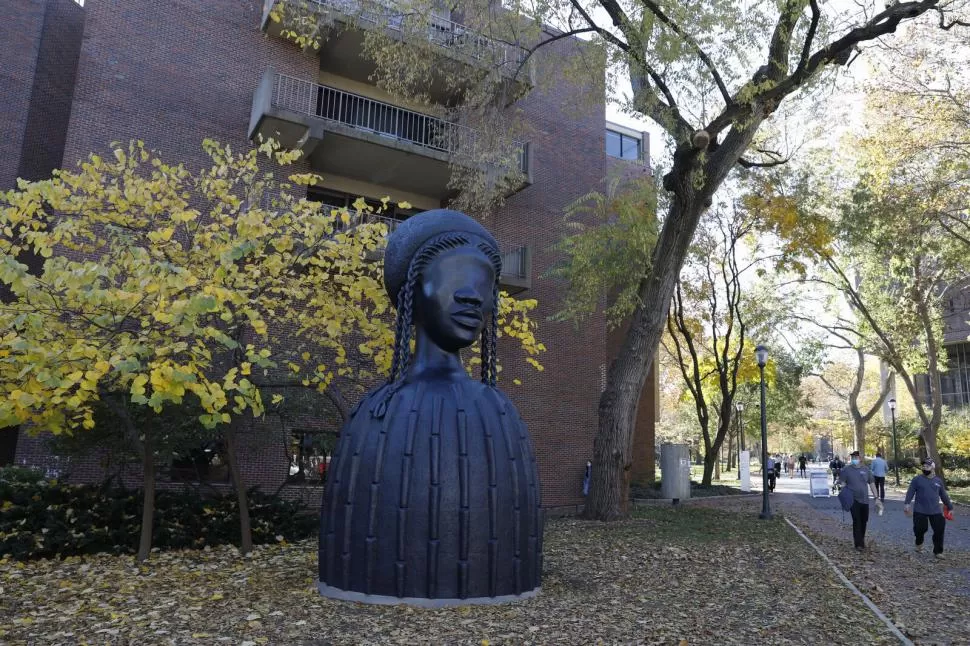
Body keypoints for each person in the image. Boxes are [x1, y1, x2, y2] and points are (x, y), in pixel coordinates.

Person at [904, 459, 955, 559]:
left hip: (935, 510)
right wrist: (907, 503)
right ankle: (919, 542)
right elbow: (910, 492)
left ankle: (938, 551)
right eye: (923, 466)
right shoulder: (917, 479)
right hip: (920, 509)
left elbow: (944, 495)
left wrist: (950, 507)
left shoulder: (938, 481)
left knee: (939, 529)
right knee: (920, 529)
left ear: (932, 467)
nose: (924, 468)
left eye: (927, 466)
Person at [838, 450, 883, 552]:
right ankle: (859, 544)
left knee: (864, 521)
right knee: (856, 520)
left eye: (856, 457)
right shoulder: (846, 470)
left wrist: (877, 497)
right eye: (853, 457)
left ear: (860, 458)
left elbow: (872, 484)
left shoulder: (866, 470)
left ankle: (861, 539)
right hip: (853, 500)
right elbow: (843, 483)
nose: (854, 459)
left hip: (865, 500)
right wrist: (844, 495)